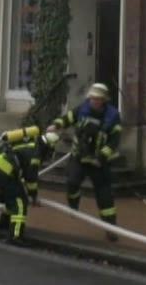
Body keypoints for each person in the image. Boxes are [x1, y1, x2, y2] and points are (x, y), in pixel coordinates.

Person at [48, 83, 124, 241]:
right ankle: (74, 205)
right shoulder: (83, 109)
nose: (93, 101)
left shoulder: (113, 117)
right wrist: (56, 125)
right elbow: (68, 118)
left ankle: (110, 228)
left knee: (105, 197)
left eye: (97, 99)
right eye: (92, 98)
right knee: (72, 182)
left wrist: (101, 158)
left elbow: (113, 143)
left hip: (99, 162)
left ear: (103, 100)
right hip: (79, 157)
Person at [0, 126, 57, 244]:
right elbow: (31, 179)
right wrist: (33, 196)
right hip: (4, 171)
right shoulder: (36, 154)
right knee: (20, 202)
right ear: (48, 147)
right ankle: (15, 236)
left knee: (11, 200)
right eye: (51, 151)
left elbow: (22, 166)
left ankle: (3, 225)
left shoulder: (31, 144)